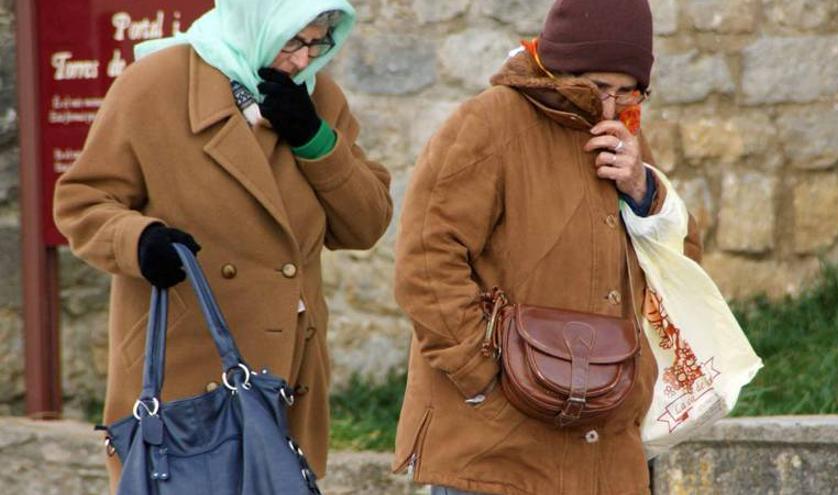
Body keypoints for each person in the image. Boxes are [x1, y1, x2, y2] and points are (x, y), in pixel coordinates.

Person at [53, 0, 392, 491]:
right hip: (187, 377)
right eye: (294, 41)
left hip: (285, 375)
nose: (304, 59)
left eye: (319, 41)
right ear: (256, 22)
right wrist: (140, 240)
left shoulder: (318, 98)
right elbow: (82, 202)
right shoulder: (156, 83)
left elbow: (366, 225)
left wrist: (315, 140)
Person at [392, 0, 702, 494]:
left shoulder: (624, 142)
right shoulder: (488, 122)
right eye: (598, 87)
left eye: (628, 91)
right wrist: (483, 377)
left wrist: (645, 192)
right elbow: (426, 260)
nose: (610, 104)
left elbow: (684, 275)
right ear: (561, 67)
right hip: (494, 453)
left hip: (603, 453)